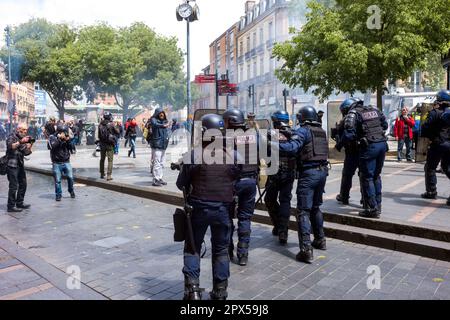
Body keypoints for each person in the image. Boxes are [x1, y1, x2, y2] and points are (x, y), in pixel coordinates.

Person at [176, 113, 238, 301]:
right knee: (220, 249)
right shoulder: (233, 155)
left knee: (193, 247)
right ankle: (220, 291)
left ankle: (193, 290)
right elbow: (235, 176)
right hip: (223, 209)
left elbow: (181, 184)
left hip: (199, 208)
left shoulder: (193, 154)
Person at [278, 106, 329, 263]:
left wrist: (272, 144)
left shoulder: (303, 130)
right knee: (316, 207)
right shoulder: (320, 131)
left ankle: (306, 250)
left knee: (303, 211)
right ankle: (320, 239)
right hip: (322, 172)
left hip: (309, 174)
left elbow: (292, 148)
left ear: (302, 118)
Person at [223, 109, 258, 266]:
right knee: (245, 218)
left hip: (232, 183)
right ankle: (243, 254)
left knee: (227, 217)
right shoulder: (252, 135)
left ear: (230, 121)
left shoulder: (225, 138)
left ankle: (227, 250)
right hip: (250, 181)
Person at [342, 102, 388, 218]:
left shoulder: (353, 114)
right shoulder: (374, 109)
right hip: (382, 144)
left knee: (367, 177)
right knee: (376, 175)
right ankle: (378, 205)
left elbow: (349, 135)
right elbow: (385, 125)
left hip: (369, 147)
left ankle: (372, 208)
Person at [264, 110, 296, 245]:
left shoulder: (270, 134)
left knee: (269, 199)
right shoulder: (294, 134)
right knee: (285, 201)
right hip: (289, 173)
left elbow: (264, 154)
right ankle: (283, 231)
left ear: (276, 121)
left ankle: (278, 226)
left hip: (274, 173)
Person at [420, 89, 450, 206]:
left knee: (430, 167)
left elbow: (425, 127)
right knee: (447, 168)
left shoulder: (435, 112)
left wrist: (429, 135)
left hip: (438, 144)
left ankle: (431, 191)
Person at [335, 99, 365, 206]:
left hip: (353, 151)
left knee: (347, 175)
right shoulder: (365, 112)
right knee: (364, 175)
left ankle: (344, 196)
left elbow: (348, 135)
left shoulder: (351, 115)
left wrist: (339, 145)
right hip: (365, 150)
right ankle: (365, 199)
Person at [5, 124, 33, 213]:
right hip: (12, 164)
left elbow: (26, 152)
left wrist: (30, 144)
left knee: (23, 184)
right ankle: (11, 206)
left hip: (20, 164)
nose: (25, 131)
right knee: (13, 186)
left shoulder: (23, 139)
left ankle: (19, 203)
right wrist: (21, 142)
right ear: (18, 129)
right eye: (24, 130)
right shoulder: (11, 136)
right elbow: (11, 146)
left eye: (26, 130)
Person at [48, 124, 75, 201]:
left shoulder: (67, 137)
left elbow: (73, 149)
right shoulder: (52, 137)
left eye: (65, 132)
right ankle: (58, 194)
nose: (64, 133)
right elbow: (51, 146)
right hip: (56, 162)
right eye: (62, 132)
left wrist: (68, 141)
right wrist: (59, 139)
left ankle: (71, 190)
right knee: (58, 180)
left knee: (70, 177)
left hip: (66, 161)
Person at [149, 108, 170, 187]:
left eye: (163, 113)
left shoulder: (165, 121)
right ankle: (155, 179)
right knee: (157, 162)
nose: (162, 115)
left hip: (163, 145)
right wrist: (163, 125)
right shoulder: (153, 120)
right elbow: (154, 124)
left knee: (162, 163)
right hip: (157, 145)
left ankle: (160, 178)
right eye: (160, 113)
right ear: (157, 114)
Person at [98, 112, 119, 181]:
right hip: (110, 144)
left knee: (102, 159)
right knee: (110, 160)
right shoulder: (112, 124)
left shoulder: (100, 124)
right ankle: (109, 175)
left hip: (102, 144)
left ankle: (101, 173)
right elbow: (117, 132)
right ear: (109, 117)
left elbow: (99, 135)